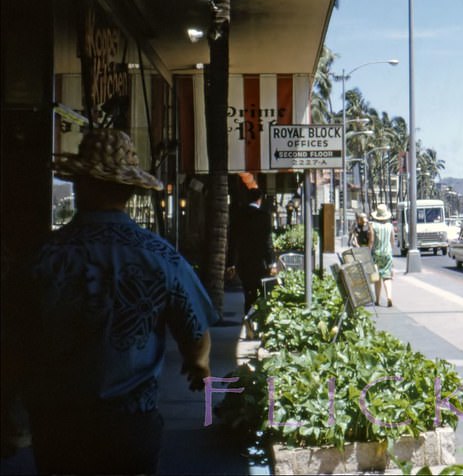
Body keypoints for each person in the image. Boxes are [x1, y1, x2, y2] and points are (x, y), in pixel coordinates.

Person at [13, 128, 216, 475]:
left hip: (58, 426)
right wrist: (199, 366)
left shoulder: (43, 257)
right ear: (129, 190)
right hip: (130, 427)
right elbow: (196, 333)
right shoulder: (161, 256)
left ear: (79, 187)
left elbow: (12, 342)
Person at [228, 186, 278, 315]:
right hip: (259, 261)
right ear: (259, 200)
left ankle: (247, 314)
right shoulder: (264, 216)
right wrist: (272, 261)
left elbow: (233, 240)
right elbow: (267, 241)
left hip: (243, 260)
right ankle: (253, 316)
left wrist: (231, 263)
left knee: (246, 289)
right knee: (259, 290)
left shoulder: (239, 216)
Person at [370, 203, 395, 307]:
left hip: (376, 253)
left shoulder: (373, 225)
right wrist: (390, 250)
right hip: (387, 253)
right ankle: (389, 296)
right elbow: (392, 240)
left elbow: (371, 240)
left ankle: (377, 300)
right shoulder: (390, 226)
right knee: (387, 277)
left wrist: (369, 250)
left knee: (377, 277)